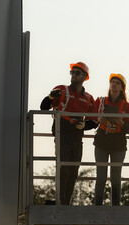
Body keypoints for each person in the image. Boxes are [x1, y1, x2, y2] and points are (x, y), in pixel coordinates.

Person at [40, 62, 97, 205]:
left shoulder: (89, 98)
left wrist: (84, 125)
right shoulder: (62, 90)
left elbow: (94, 121)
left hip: (77, 135)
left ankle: (66, 201)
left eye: (77, 73)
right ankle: (60, 200)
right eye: (72, 72)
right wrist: (50, 98)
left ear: (84, 77)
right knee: (63, 166)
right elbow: (43, 107)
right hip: (62, 131)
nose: (73, 75)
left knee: (73, 170)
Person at [93, 73, 129, 206]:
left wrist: (121, 122)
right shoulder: (100, 102)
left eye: (117, 82)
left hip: (118, 143)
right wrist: (99, 119)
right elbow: (89, 119)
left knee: (116, 179)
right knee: (100, 177)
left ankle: (115, 208)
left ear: (122, 88)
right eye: (112, 81)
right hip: (102, 141)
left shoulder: (127, 107)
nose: (114, 84)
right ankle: (97, 208)